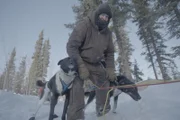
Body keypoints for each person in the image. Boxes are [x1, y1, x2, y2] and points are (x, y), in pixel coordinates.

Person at [66, 3, 116, 120]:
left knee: (104, 79)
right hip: (79, 60)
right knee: (77, 89)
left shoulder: (107, 33)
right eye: (102, 16)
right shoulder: (84, 25)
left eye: (107, 17)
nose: (104, 19)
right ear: (98, 14)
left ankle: (103, 111)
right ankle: (76, 117)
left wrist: (110, 68)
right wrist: (80, 66)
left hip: (96, 64)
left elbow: (110, 53)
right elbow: (71, 47)